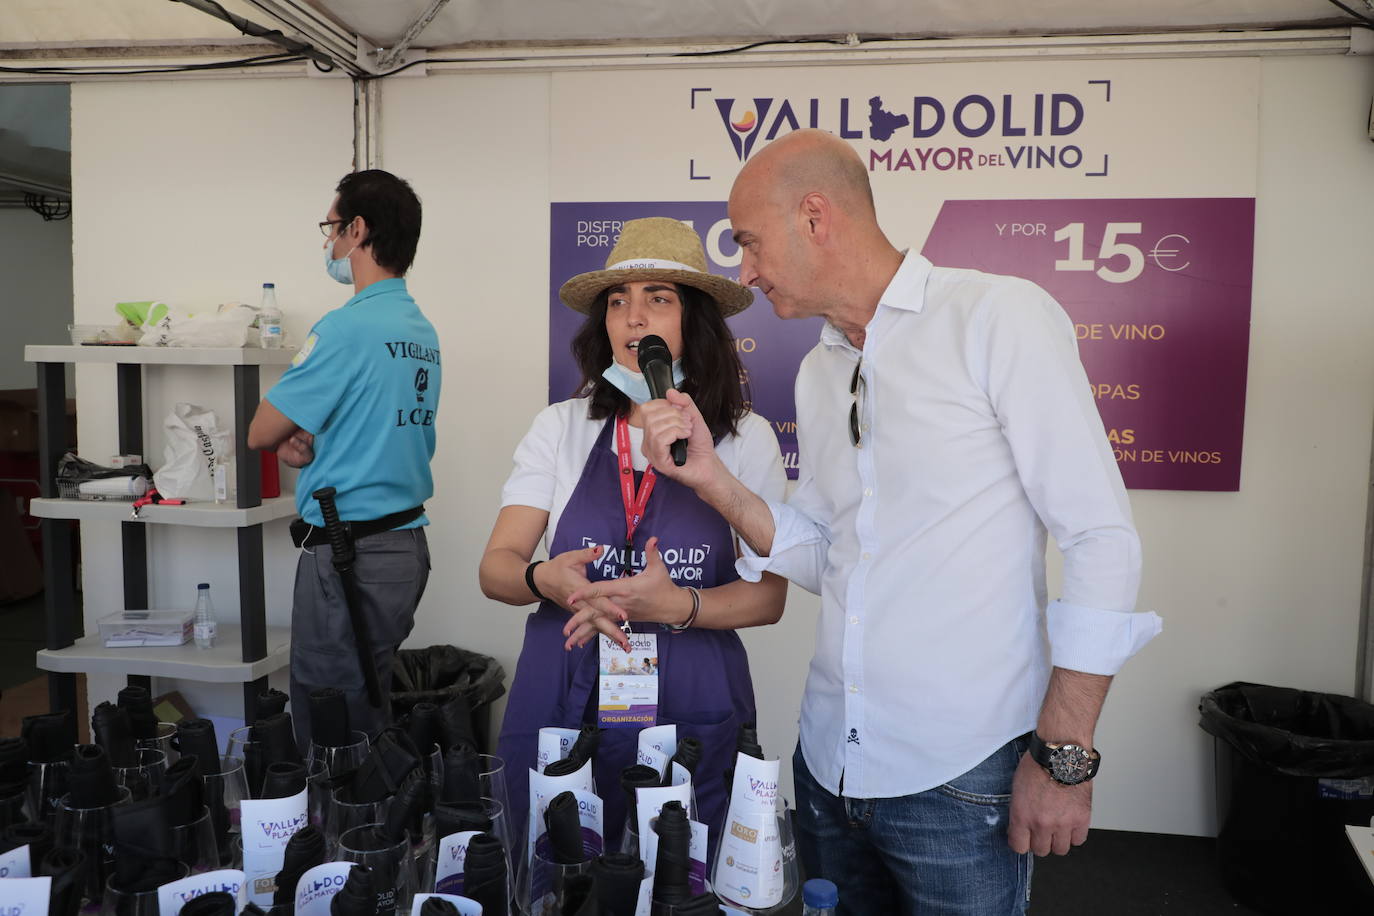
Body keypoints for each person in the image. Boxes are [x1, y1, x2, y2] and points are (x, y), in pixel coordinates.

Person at [623, 130, 1163, 914]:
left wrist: (1063, 755)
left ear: (815, 215)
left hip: (962, 775)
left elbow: (1101, 541)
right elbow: (825, 553)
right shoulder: (817, 370)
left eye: (748, 243)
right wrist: (711, 480)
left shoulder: (995, 317)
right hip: (829, 769)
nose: (744, 271)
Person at [479, 217, 788, 851]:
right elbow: (496, 568)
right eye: (617, 301)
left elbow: (769, 597)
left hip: (692, 689)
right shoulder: (560, 427)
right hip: (568, 681)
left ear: (692, 321)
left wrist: (677, 605)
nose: (633, 318)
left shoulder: (744, 437)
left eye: (658, 299)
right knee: (555, 867)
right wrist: (543, 578)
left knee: (679, 867)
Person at [247, 169, 439, 748]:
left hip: (350, 553)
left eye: (331, 227)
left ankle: (338, 837)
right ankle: (374, 827)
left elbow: (262, 429)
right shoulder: (418, 328)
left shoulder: (347, 328)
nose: (328, 242)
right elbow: (369, 425)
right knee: (367, 701)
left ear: (358, 230)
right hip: (403, 546)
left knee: (330, 717)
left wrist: (287, 437)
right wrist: (309, 443)